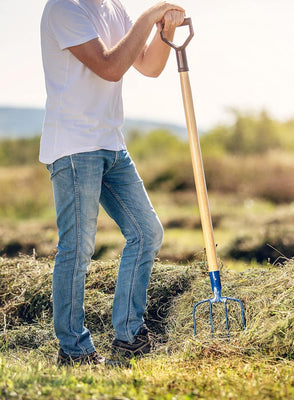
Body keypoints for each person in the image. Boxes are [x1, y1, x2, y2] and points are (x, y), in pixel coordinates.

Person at [40, 0, 185, 366]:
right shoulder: (63, 8)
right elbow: (110, 66)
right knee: (77, 248)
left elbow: (149, 66)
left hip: (111, 144)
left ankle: (128, 336)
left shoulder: (113, 8)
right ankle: (74, 350)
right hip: (74, 147)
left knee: (147, 231)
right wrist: (148, 17)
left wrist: (164, 30)